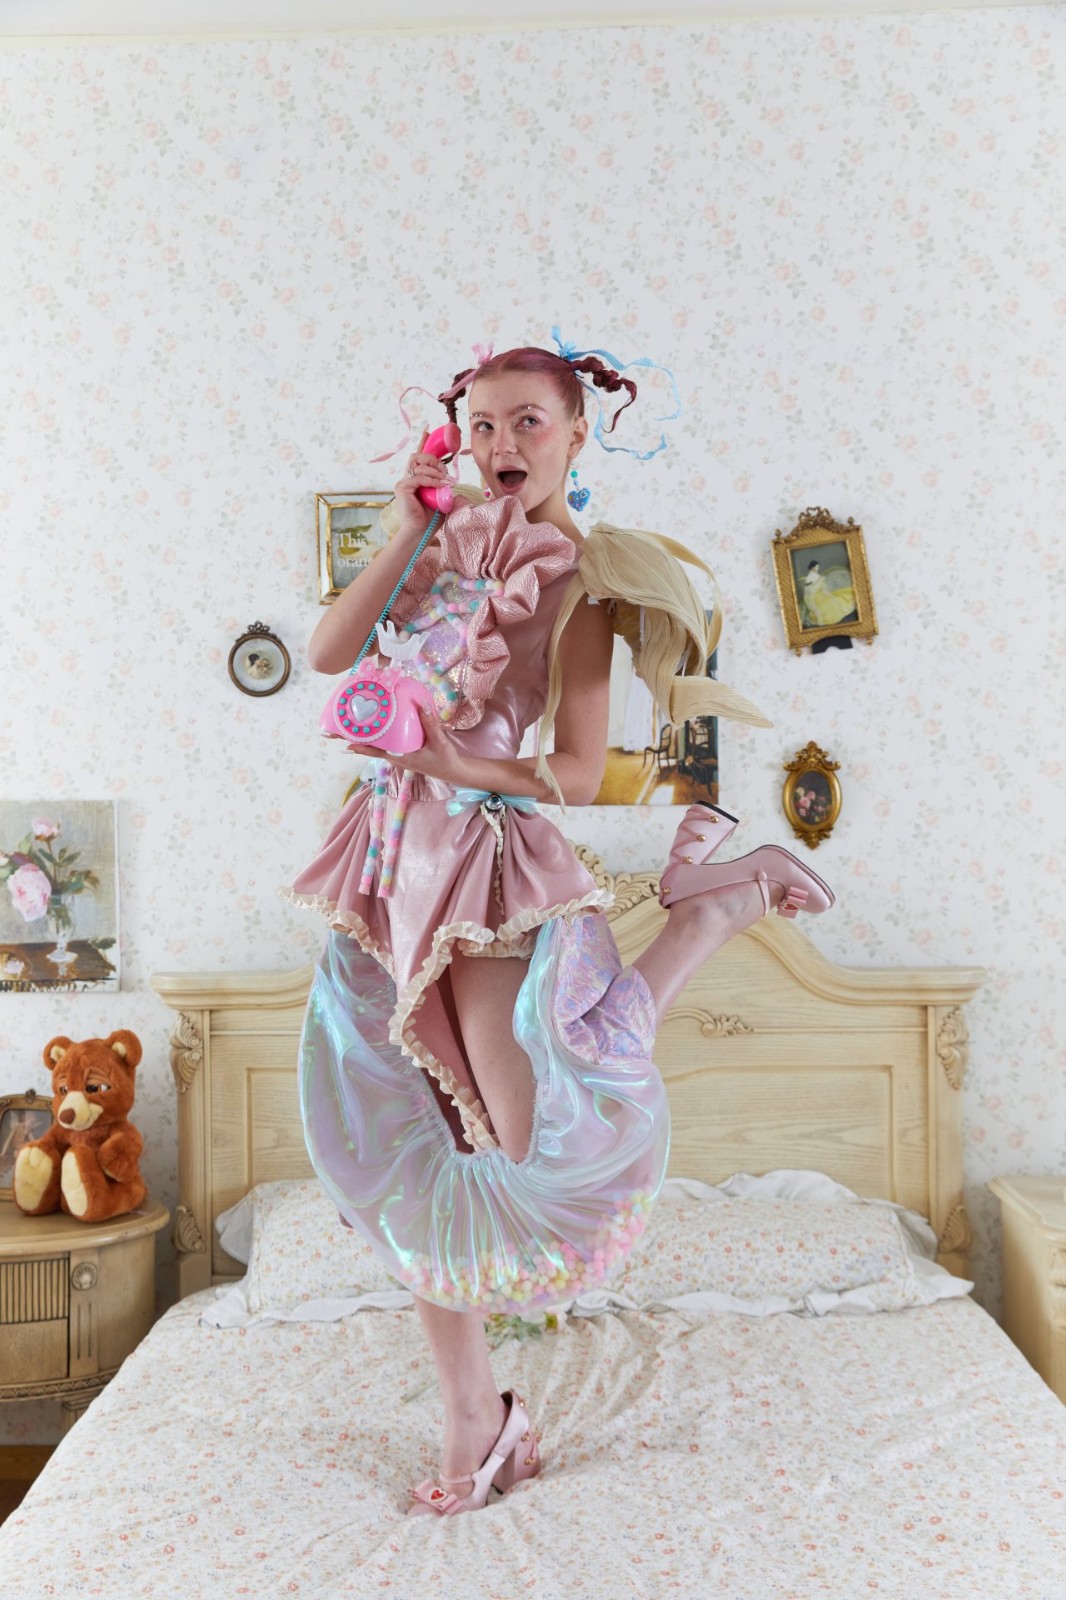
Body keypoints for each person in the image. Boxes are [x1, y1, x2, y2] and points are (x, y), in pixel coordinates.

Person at [280, 336, 835, 1517]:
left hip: (481, 866)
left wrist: (446, 760)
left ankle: (707, 914)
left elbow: (578, 770)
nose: (501, 444)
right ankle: (476, 1419)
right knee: (428, 1154)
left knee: (538, 1149)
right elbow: (328, 655)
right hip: (387, 864)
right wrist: (405, 525)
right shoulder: (436, 541)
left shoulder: (585, 580)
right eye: (481, 423)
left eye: (527, 421)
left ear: (577, 435)